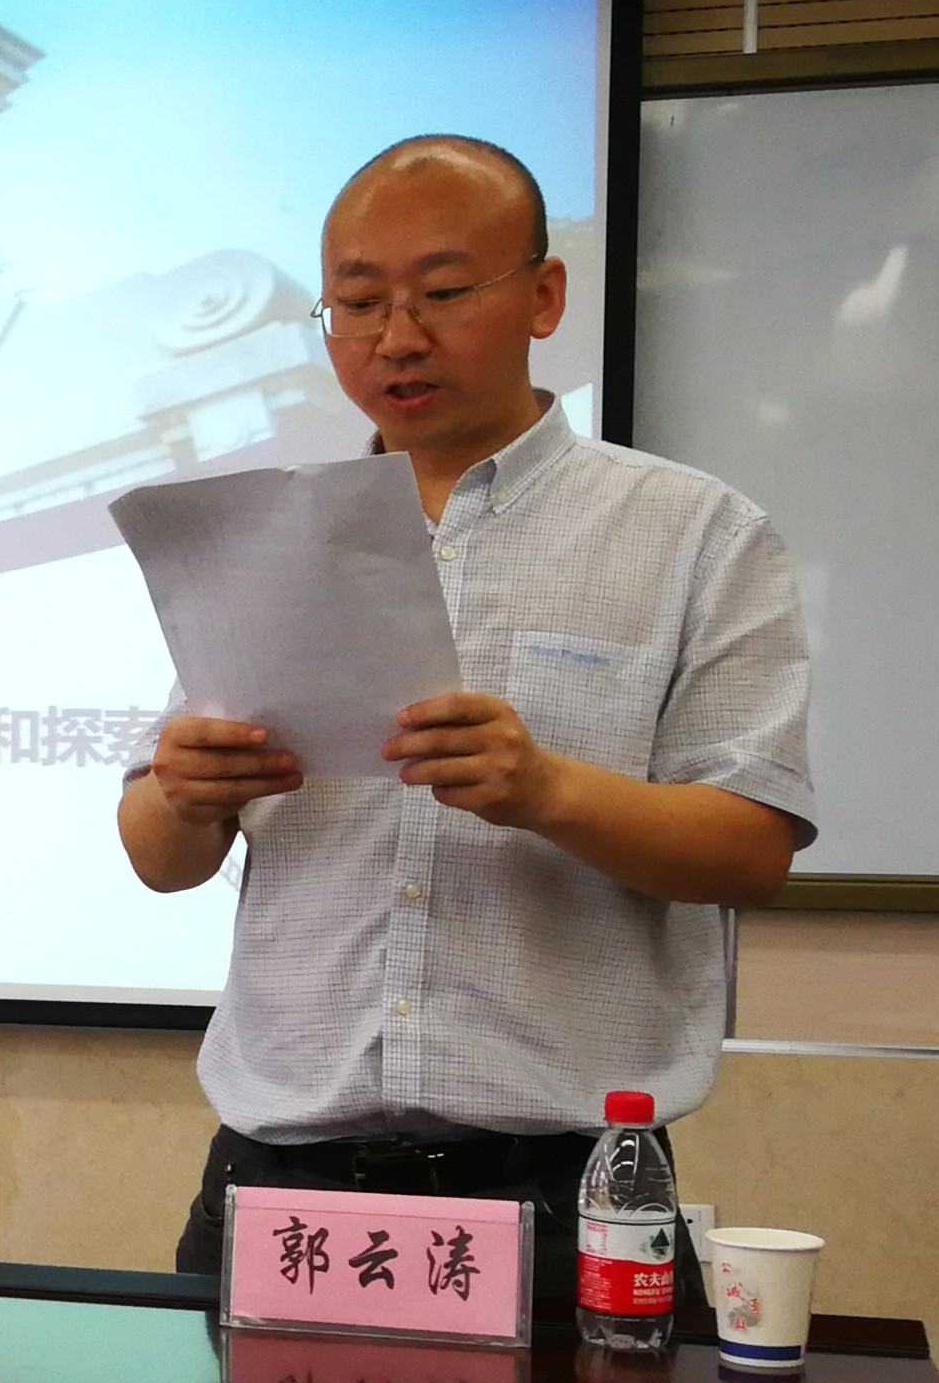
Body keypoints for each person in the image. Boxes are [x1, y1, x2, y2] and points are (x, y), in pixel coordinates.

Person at [116, 135, 814, 1277]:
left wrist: (545, 790)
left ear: (543, 296)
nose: (397, 336)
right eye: (357, 303)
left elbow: (750, 850)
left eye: (442, 293)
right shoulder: (263, 533)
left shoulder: (693, 532)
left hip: (563, 1195)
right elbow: (158, 857)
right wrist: (181, 794)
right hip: (276, 1186)